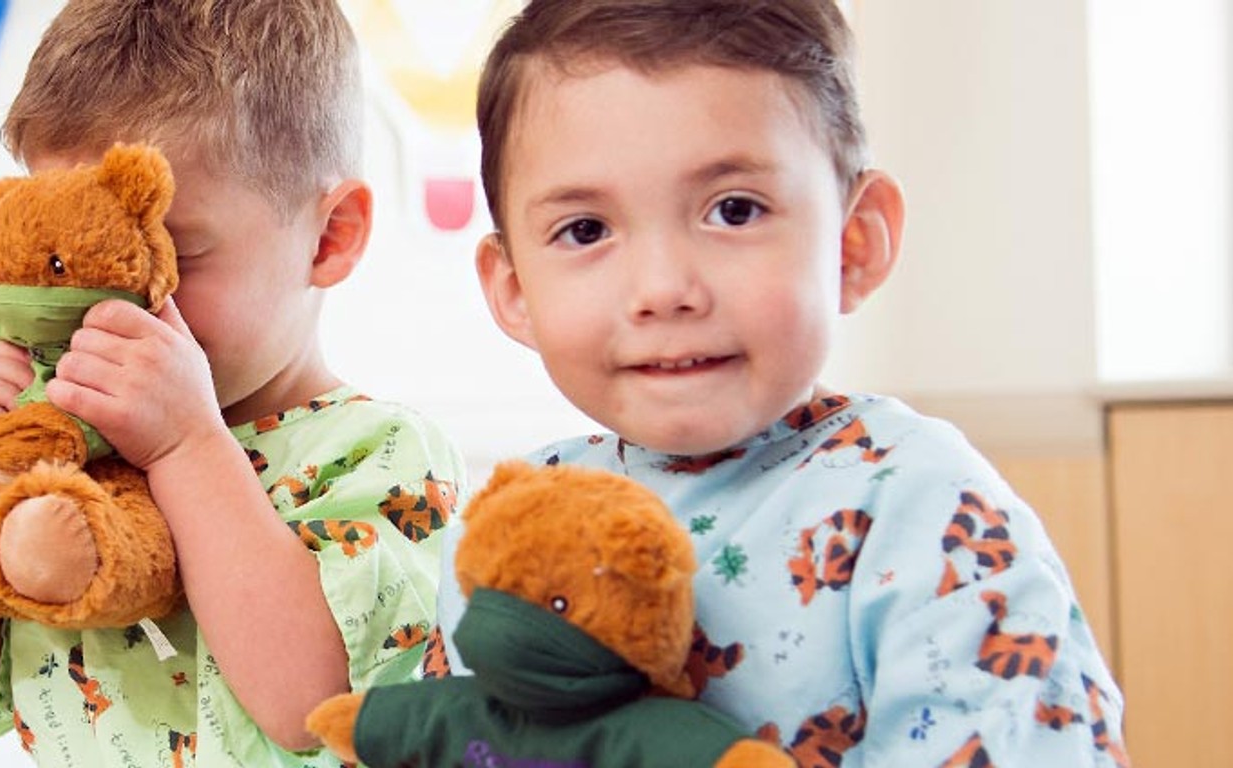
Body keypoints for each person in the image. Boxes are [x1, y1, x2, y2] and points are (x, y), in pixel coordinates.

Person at [436, 1, 1130, 766]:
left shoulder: (920, 504)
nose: (664, 288)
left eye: (734, 211)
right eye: (586, 230)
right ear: (512, 290)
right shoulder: (502, 527)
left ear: (853, 244)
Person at [0, 1, 464, 766]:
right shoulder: (57, 468)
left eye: (165, 254)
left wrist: (186, 445)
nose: (96, 314)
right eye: (67, 270)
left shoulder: (384, 454)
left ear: (330, 236)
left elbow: (314, 709)